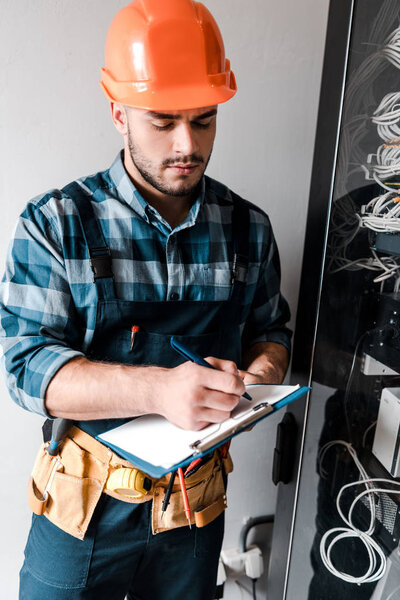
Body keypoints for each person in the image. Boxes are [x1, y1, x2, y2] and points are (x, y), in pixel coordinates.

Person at [0, 1, 291, 598]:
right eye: (163, 122)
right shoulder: (57, 224)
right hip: (83, 508)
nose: (188, 144)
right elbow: (26, 370)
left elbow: (273, 335)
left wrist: (254, 383)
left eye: (205, 120)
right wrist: (161, 390)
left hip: (194, 508)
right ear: (118, 113)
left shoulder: (249, 230)